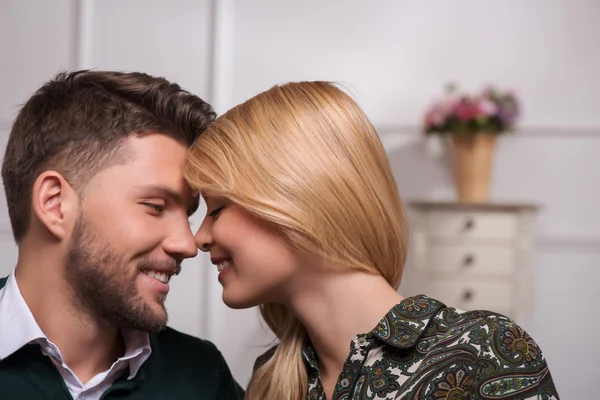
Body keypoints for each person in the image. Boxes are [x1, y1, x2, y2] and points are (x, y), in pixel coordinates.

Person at [185, 81, 560, 400]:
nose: (199, 238)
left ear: (296, 199)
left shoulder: (484, 351)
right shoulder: (273, 381)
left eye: (217, 209)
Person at [0, 70, 244, 399]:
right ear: (54, 203)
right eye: (156, 207)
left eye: (187, 214)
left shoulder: (203, 376)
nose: (188, 244)